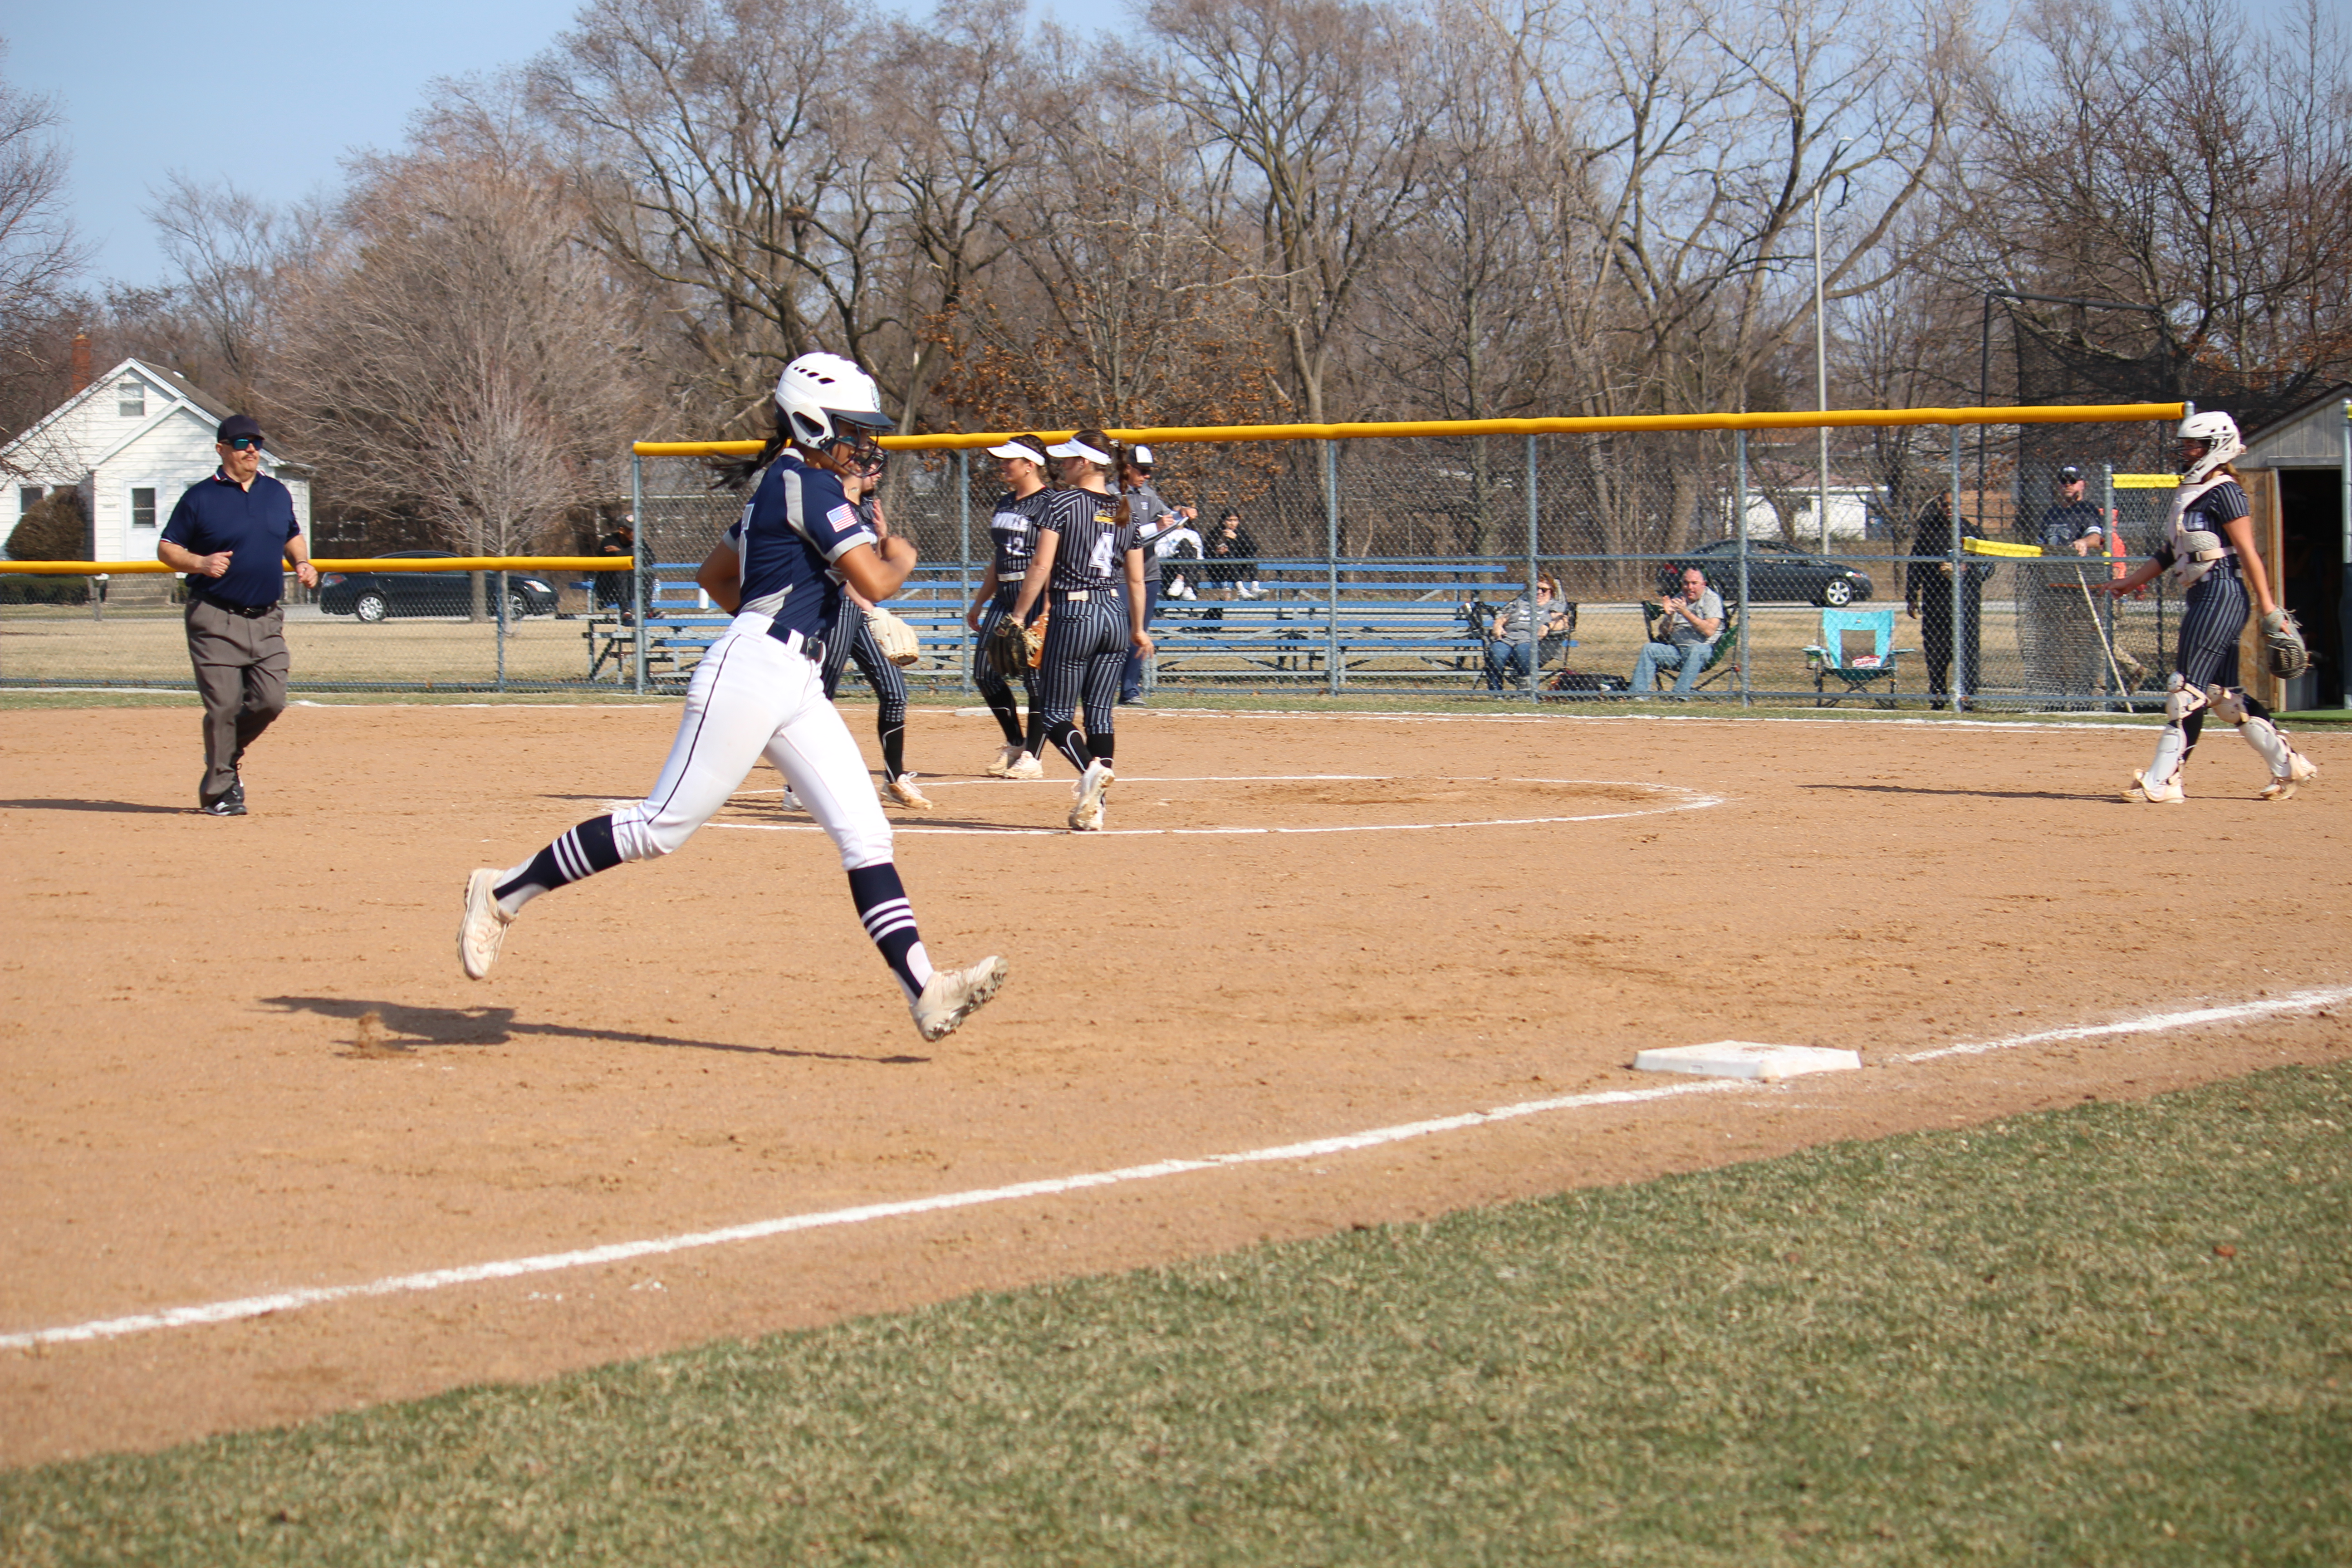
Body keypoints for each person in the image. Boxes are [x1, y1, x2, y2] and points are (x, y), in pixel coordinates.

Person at [456, 351, 1007, 1042]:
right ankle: (501, 892)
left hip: (793, 678)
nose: (864, 444)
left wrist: (788, 605)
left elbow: (718, 576)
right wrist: (902, 551)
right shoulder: (806, 484)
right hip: (757, 668)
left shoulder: (788, 483)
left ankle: (924, 989)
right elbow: (877, 581)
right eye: (850, 428)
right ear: (809, 423)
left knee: (867, 836)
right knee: (662, 828)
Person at [2096, 411, 2318, 803]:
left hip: (2222, 594)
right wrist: (2131, 581)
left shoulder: (2225, 489)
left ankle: (2164, 780)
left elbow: (2248, 551)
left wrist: (2270, 609)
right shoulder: (2191, 490)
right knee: (2223, 695)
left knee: (2186, 690)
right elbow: (2170, 552)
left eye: (2194, 444)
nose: (2186, 451)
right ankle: (2290, 766)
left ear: (2217, 446)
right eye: (2185, 444)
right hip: (2204, 596)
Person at [156, 413, 318, 816]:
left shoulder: (277, 493)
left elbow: (291, 534)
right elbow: (166, 549)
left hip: (266, 619)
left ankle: (226, 754)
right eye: (243, 442)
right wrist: (199, 562)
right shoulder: (199, 498)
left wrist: (302, 562)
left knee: (271, 701)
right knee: (225, 706)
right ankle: (220, 792)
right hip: (214, 618)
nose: (252, 449)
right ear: (222, 449)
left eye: (257, 443)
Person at [1007, 428, 1152, 831]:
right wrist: (1139, 629)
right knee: (1101, 716)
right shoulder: (1126, 509)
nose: (1062, 467)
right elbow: (1137, 581)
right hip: (1114, 613)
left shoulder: (1062, 503)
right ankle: (1096, 809)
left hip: (1076, 613)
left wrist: (1018, 616)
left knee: (1054, 714)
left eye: (1068, 460)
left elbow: (1041, 566)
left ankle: (1089, 772)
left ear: (1085, 463)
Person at [820, 449, 929, 809]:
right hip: (834, 611)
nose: (879, 474)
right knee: (818, 701)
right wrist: (870, 606)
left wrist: (883, 537)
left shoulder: (867, 508)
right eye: (872, 466)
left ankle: (894, 779)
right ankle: (798, 786)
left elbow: (874, 567)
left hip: (859, 616)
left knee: (895, 692)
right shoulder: (831, 505)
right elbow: (834, 570)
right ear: (851, 466)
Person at [965, 434, 1054, 779]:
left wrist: (1047, 608)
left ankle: (1033, 756)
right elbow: (999, 559)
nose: (1003, 465)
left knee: (1035, 681)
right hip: (1004, 598)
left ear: (1030, 465)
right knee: (985, 673)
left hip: (1033, 598)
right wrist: (979, 601)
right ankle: (1016, 742)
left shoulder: (1049, 504)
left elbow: (1052, 561)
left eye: (1010, 460)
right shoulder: (1005, 502)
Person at [2021, 464, 2111, 701]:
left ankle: (2083, 694)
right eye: (2063, 480)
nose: (2068, 484)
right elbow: (2041, 544)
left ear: (2083, 483)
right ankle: (2056, 694)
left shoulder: (2088, 509)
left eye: (2073, 480)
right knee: (2054, 643)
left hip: (2081, 587)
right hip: (2052, 586)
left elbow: (2096, 537)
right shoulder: (2051, 513)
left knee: (2082, 641)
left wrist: (2084, 542)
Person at [1117, 444, 1193, 704]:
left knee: (1140, 632)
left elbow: (1167, 517)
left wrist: (1180, 513)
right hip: (1119, 575)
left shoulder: (1148, 494)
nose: (1147, 476)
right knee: (1116, 632)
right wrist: (1155, 526)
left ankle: (1130, 690)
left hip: (1148, 574)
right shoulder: (1112, 494)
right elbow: (1118, 535)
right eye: (1142, 470)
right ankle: (1101, 686)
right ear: (1127, 468)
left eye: (1150, 471)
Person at [1905, 492, 1993, 710]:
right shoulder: (1929, 533)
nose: (1949, 509)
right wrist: (1911, 596)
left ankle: (1968, 696)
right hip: (1936, 603)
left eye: (1954, 505)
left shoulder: (1973, 533)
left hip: (1967, 604)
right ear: (1939, 506)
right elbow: (1916, 565)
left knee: (1967, 651)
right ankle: (1938, 694)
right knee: (1936, 651)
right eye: (1945, 505)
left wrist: (1964, 569)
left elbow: (1989, 566)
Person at [1629, 566, 1723, 698]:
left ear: (1704, 584)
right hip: (1678, 652)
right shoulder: (1679, 598)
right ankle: (1638, 696)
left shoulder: (1711, 599)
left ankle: (1678, 696)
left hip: (1704, 652)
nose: (1689, 587)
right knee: (1650, 649)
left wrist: (1685, 612)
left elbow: (1709, 631)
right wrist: (1670, 615)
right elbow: (1664, 634)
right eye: (1686, 583)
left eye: (1694, 583)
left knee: (1696, 650)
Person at [1482, 575, 1571, 693]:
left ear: (1551, 591)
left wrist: (1547, 626)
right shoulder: (1521, 602)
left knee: (1522, 650)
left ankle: (1526, 691)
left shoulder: (1554, 606)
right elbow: (1503, 617)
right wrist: (1497, 625)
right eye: (1535, 589)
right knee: (1496, 652)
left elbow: (1563, 623)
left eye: (1543, 590)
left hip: (1532, 640)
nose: (1539, 592)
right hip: (1508, 638)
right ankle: (1496, 693)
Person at [1203, 509, 1263, 611]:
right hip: (1219, 570)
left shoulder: (1240, 532)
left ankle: (1255, 586)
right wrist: (1218, 553)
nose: (1233, 523)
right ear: (1223, 521)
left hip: (1237, 568)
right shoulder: (1215, 533)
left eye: (1235, 520)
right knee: (1229, 554)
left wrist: (1237, 538)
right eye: (1230, 520)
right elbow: (1206, 552)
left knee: (1250, 555)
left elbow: (1254, 548)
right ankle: (1240, 589)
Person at [596, 516, 638, 621]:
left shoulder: (639, 541)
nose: (635, 533)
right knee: (621, 568)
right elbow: (612, 556)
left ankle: (647, 610)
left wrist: (620, 552)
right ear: (622, 530)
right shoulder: (609, 541)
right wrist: (633, 552)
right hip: (609, 589)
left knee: (647, 572)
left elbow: (650, 557)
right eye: (631, 530)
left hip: (632, 588)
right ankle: (625, 610)